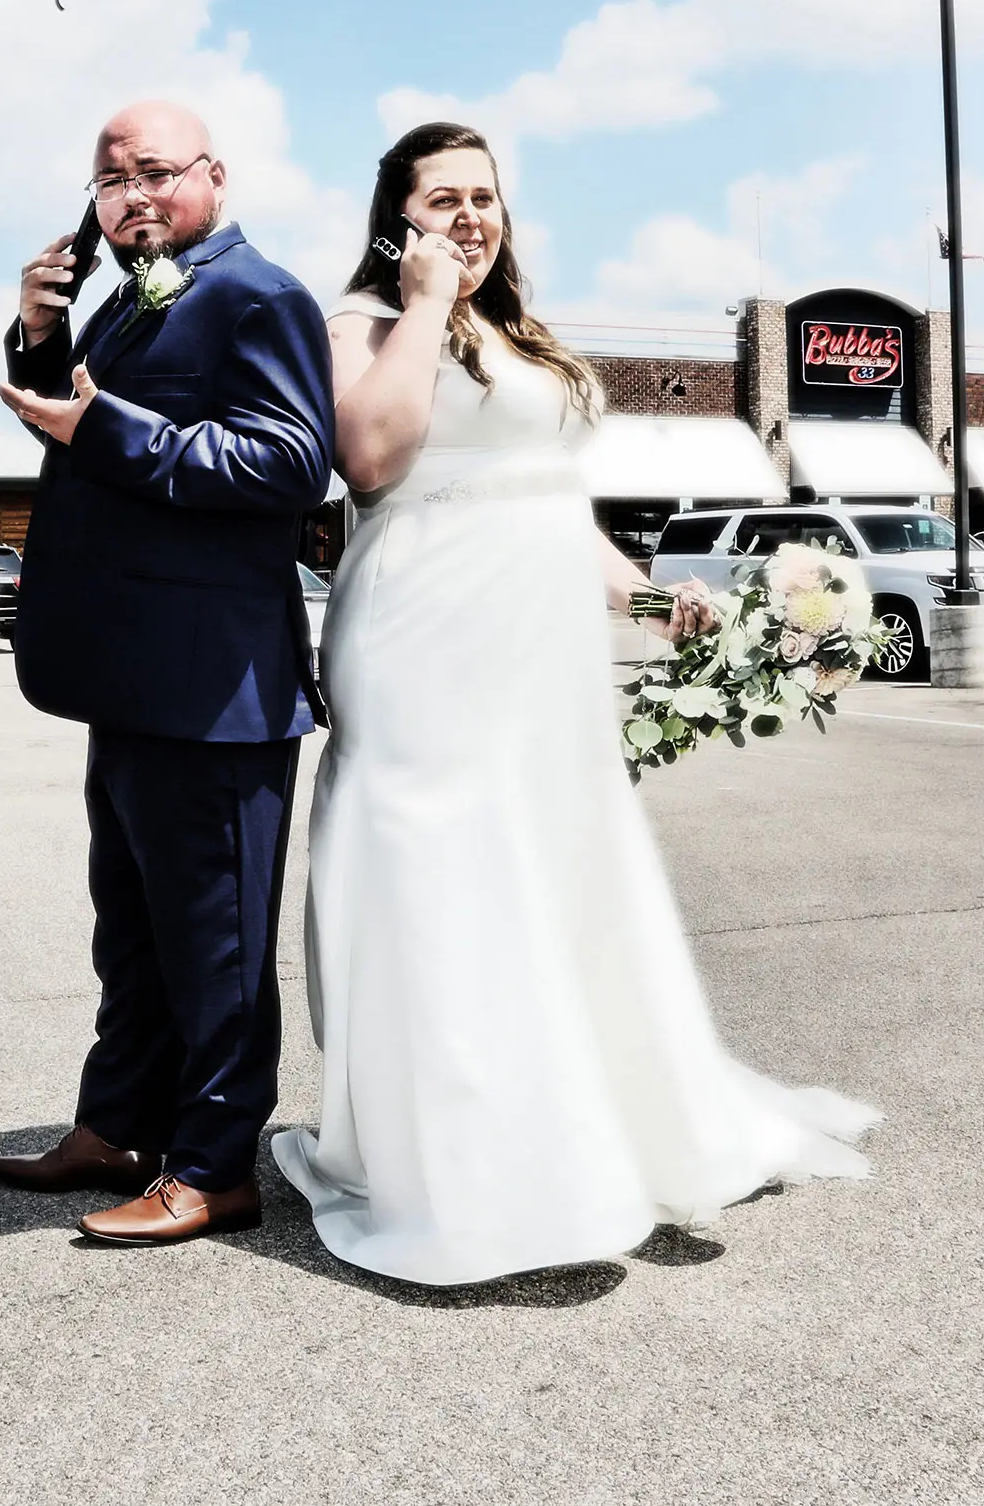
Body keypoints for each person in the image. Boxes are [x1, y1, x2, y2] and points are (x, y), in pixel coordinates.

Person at [270, 121, 878, 1287]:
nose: (470, 217)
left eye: (485, 198)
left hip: (538, 643)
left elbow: (550, 496)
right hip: (422, 630)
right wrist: (420, 305)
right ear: (396, 216)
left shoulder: (522, 335)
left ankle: (589, 1111)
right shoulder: (355, 322)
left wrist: (647, 597)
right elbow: (371, 455)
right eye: (442, 198)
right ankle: (454, 1151)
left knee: (555, 854)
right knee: (441, 862)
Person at [0, 100, 336, 1246]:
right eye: (109, 179)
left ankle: (213, 1165)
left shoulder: (258, 293)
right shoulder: (123, 305)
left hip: (216, 688)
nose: (132, 195)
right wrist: (42, 334)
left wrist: (111, 430)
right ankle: (118, 1125)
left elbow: (288, 464)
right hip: (129, 679)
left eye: (154, 172)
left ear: (214, 179)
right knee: (129, 925)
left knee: (216, 941)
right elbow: (75, 421)